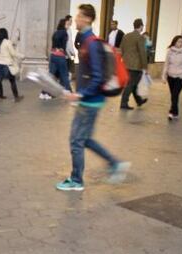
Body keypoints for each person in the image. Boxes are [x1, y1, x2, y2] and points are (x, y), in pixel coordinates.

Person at [57, 4, 130, 191]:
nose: (76, 19)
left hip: (90, 101)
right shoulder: (86, 41)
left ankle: (76, 181)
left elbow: (97, 76)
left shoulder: (92, 43)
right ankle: (115, 163)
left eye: (79, 16)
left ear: (88, 19)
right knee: (85, 139)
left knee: (76, 141)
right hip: (89, 100)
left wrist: (80, 94)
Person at [120, 18, 148, 110]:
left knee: (133, 83)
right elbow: (142, 52)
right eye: (142, 26)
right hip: (136, 65)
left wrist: (123, 60)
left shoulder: (126, 36)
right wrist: (145, 66)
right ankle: (124, 103)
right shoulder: (140, 37)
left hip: (126, 63)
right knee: (131, 84)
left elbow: (122, 49)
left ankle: (139, 101)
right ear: (141, 26)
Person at [162, 35, 182, 120]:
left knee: (175, 94)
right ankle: (176, 113)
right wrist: (164, 75)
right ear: (174, 42)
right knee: (174, 95)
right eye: (178, 41)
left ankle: (171, 112)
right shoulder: (170, 51)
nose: (180, 43)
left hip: (180, 77)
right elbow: (166, 64)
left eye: (181, 42)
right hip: (171, 76)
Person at [0, 28, 25, 103]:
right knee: (12, 80)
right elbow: (13, 53)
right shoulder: (7, 42)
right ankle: (16, 97)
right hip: (7, 65)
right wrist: (22, 56)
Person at [49, 19, 72, 91]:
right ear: (63, 25)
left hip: (53, 55)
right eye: (67, 24)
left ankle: (45, 93)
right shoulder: (65, 33)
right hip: (60, 56)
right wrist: (67, 54)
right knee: (65, 75)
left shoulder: (55, 33)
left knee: (51, 75)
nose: (68, 26)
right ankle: (69, 92)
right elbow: (64, 46)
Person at [65, 15, 76, 80]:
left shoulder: (69, 29)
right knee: (68, 73)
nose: (71, 22)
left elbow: (70, 42)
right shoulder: (66, 29)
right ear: (67, 21)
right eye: (70, 20)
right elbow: (67, 43)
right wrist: (71, 53)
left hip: (68, 54)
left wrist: (72, 52)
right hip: (66, 54)